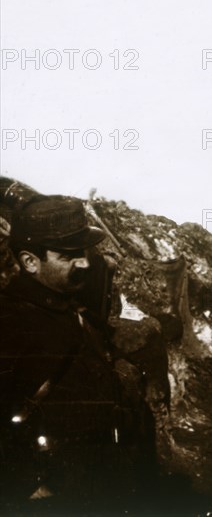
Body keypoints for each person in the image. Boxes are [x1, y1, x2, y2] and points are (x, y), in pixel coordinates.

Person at [0, 195, 139, 510]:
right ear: (29, 261)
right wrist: (28, 483)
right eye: (68, 256)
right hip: (56, 494)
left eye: (83, 253)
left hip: (94, 479)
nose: (86, 264)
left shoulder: (68, 307)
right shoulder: (10, 323)